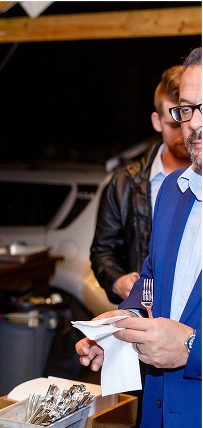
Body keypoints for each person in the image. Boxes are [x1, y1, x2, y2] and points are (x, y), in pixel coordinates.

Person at [75, 47, 201, 428]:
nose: (192, 124)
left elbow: (185, 337)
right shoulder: (172, 194)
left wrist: (190, 348)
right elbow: (151, 282)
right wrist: (117, 327)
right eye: (185, 109)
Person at [91, 65, 190, 304]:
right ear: (157, 121)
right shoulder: (123, 184)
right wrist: (118, 281)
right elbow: (103, 252)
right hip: (144, 312)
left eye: (188, 120)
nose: (184, 133)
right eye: (174, 124)